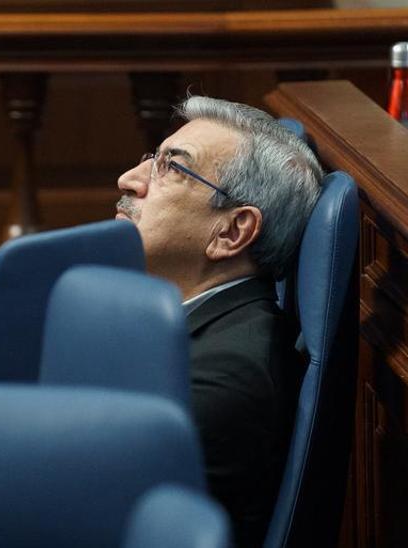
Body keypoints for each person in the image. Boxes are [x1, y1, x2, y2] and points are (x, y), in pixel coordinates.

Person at [115, 96, 322, 547]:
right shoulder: (181, 323)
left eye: (171, 167)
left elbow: (94, 514)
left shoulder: (228, 377)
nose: (128, 180)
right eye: (153, 159)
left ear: (231, 231)